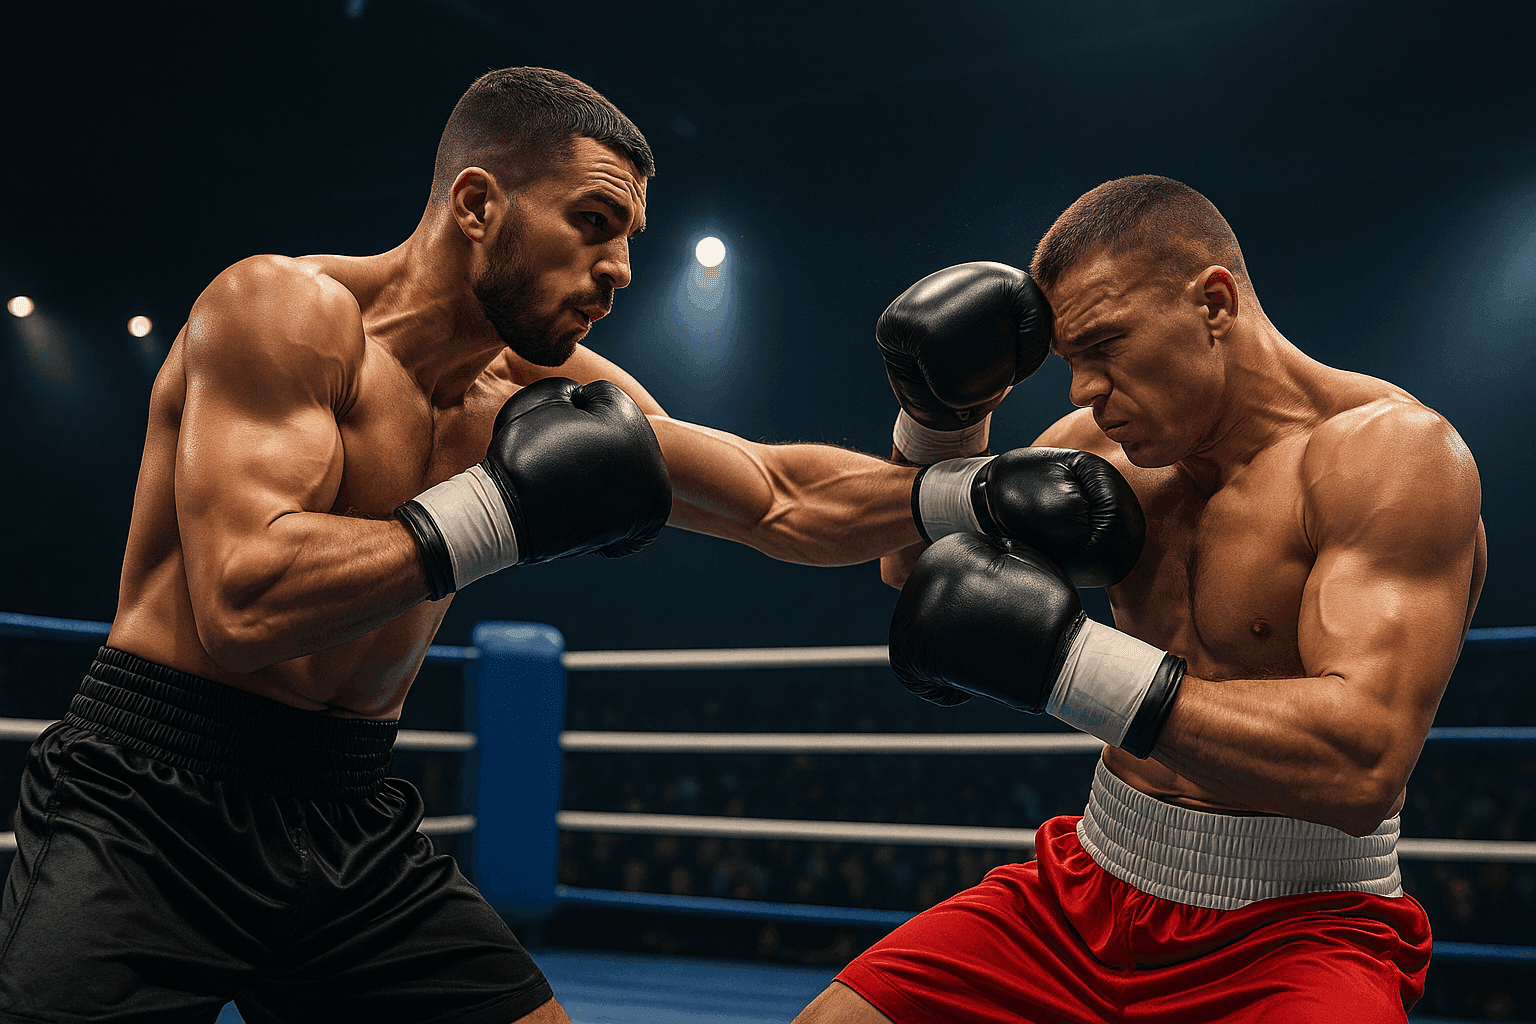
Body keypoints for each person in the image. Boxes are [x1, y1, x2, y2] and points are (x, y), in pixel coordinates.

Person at [0, 68, 1141, 1024]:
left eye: (632, 237)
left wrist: (972, 483)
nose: (623, 269)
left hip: (346, 816)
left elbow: (781, 499)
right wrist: (497, 512)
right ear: (479, 202)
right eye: (593, 223)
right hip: (151, 806)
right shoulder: (283, 313)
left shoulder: (549, 390)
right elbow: (242, 602)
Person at [795, 175, 1488, 1023]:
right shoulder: (1103, 448)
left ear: (1214, 302)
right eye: (1071, 363)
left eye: (1106, 345)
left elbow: (1362, 768)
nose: (1083, 391)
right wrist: (940, 419)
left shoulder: (1389, 457)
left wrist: (1070, 663)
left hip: (1301, 928)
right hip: (1089, 888)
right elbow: (912, 571)